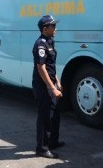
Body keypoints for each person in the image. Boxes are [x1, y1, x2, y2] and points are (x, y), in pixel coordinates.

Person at [32, 15, 65, 159]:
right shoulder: (40, 44)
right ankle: (42, 148)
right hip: (43, 86)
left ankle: (53, 141)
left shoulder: (50, 41)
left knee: (55, 114)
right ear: (45, 29)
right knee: (45, 117)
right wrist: (52, 88)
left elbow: (51, 66)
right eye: (53, 26)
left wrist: (57, 81)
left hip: (51, 83)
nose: (55, 28)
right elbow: (41, 68)